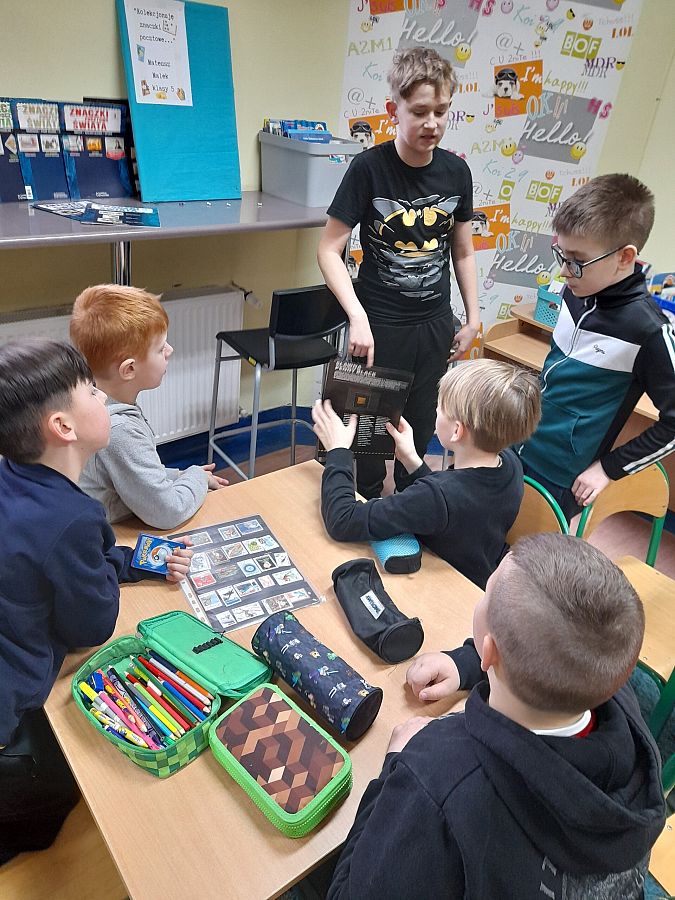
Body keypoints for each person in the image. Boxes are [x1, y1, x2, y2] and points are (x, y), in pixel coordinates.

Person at [328, 534, 666, 899]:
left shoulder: (433, 775)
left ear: (491, 650)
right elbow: (550, 660)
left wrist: (394, 765)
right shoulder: (622, 710)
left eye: (486, 592)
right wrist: (466, 664)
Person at [0, 339, 192, 864]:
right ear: (63, 426)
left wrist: (131, 561)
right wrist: (110, 567)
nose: (102, 396)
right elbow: (92, 626)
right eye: (90, 390)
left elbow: (63, 559)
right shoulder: (73, 519)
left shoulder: (11, 475)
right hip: (15, 720)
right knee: (60, 808)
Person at [318, 47, 479, 500]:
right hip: (380, 325)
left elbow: (463, 251)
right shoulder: (369, 168)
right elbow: (328, 249)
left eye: (441, 112)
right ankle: (367, 503)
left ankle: (413, 504)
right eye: (420, 112)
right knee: (369, 430)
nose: (432, 123)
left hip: (434, 325)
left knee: (422, 424)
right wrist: (357, 316)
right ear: (394, 111)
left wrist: (473, 318)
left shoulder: (456, 172)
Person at [516, 173, 675, 520]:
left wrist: (609, 468)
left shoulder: (648, 331)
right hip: (517, 441)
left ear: (625, 257)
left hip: (561, 475)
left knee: (525, 550)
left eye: (576, 261)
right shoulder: (574, 291)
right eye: (561, 254)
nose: (563, 272)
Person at [312, 359, 540, 589]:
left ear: (457, 430)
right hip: (480, 577)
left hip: (444, 590)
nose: (436, 410)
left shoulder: (436, 496)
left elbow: (342, 520)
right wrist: (413, 461)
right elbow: (453, 507)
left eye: (440, 406)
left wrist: (338, 451)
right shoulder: (510, 464)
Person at [70, 284, 227, 529]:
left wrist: (180, 475)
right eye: (160, 348)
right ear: (129, 369)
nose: (170, 350)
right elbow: (168, 512)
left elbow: (132, 475)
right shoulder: (118, 429)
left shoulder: (92, 399)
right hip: (110, 533)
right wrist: (196, 476)